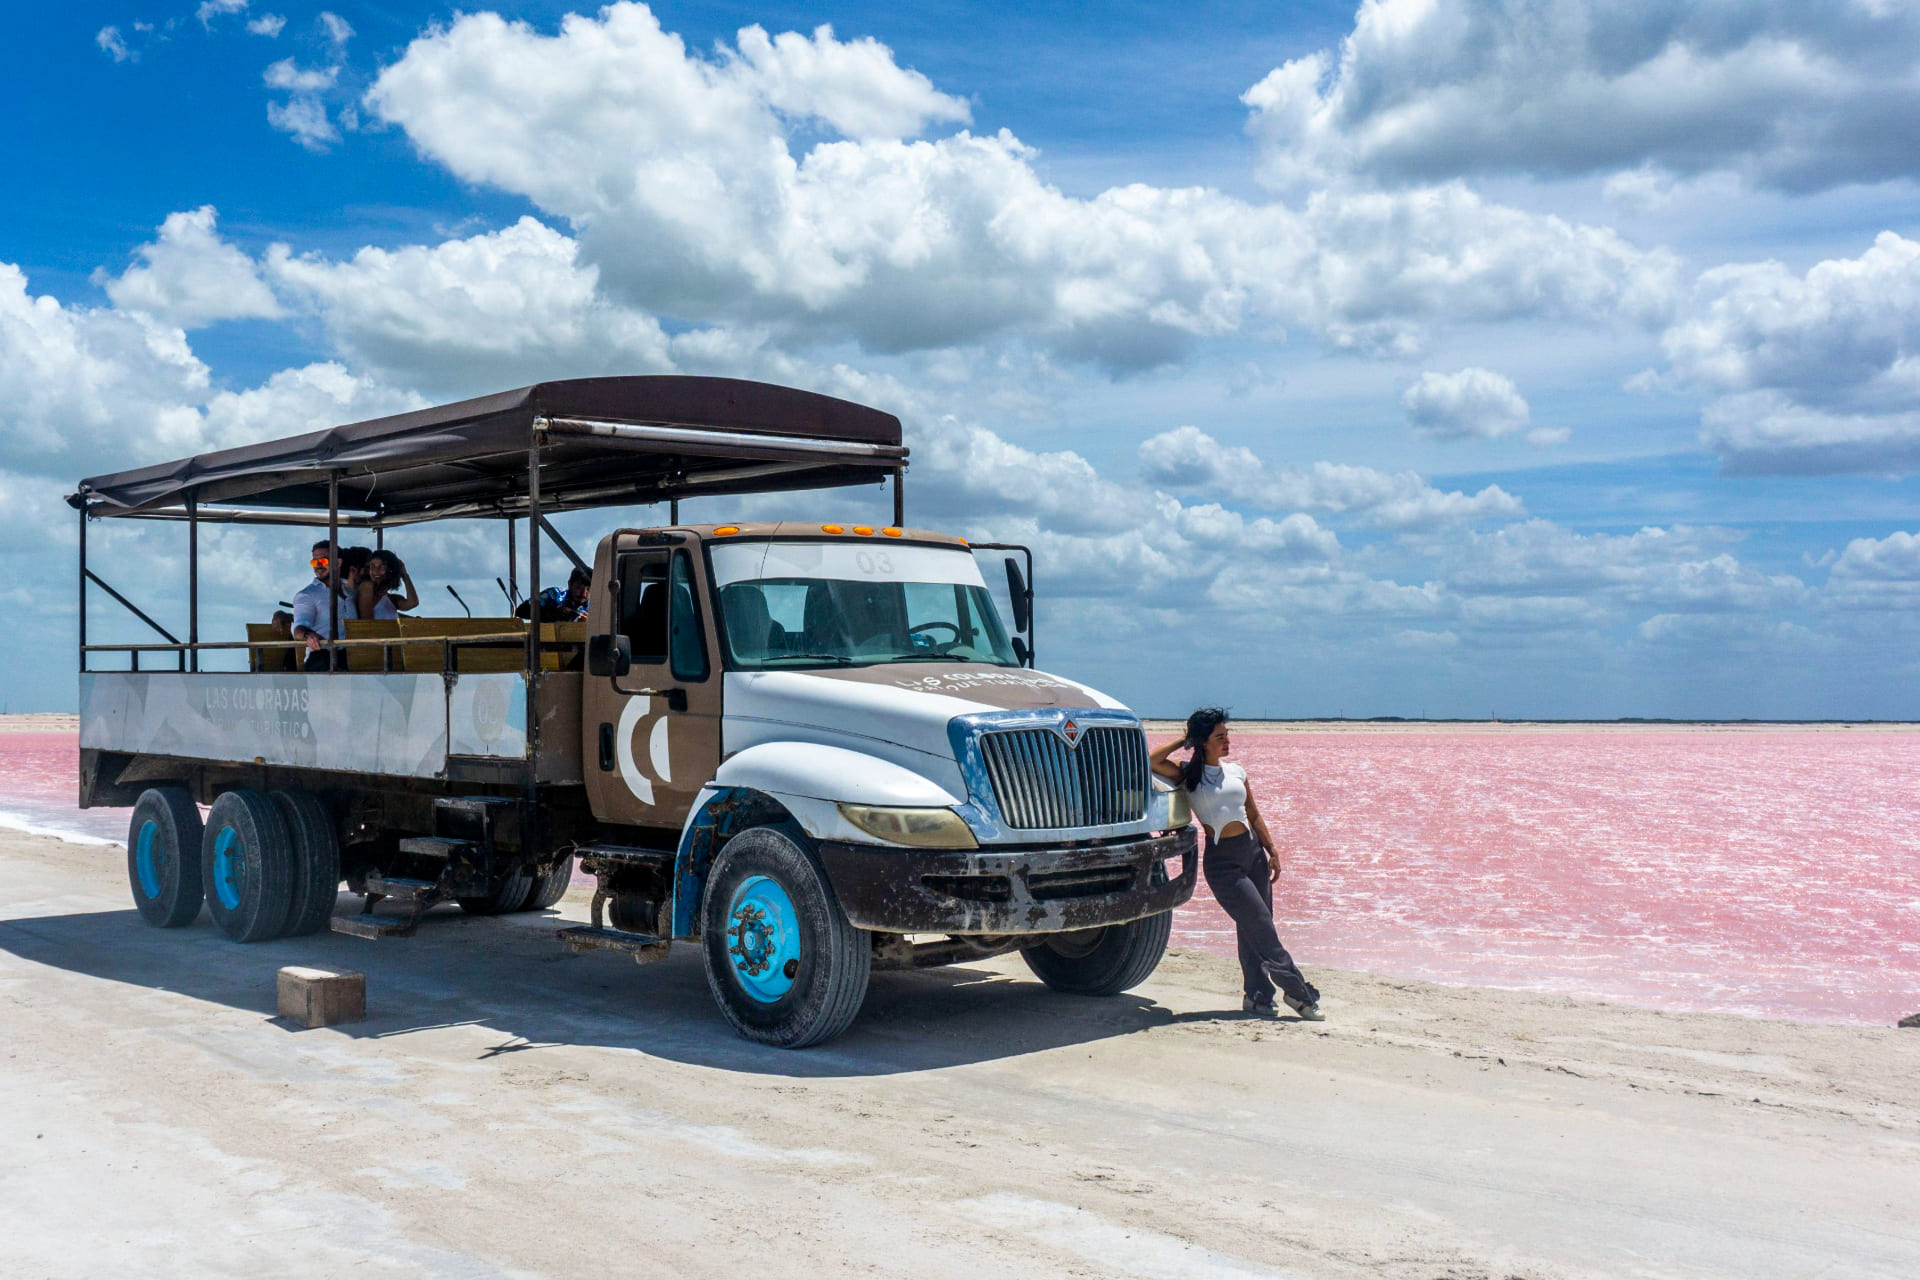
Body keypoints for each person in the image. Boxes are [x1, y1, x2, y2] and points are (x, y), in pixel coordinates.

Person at [1151, 707, 1324, 1021]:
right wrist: (1185, 738)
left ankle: (1257, 997)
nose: (1227, 741)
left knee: (1252, 928)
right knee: (1261, 925)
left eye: (1227, 734)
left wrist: (1272, 850)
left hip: (1253, 854)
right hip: (1223, 863)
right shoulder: (1189, 776)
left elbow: (1253, 814)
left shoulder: (1237, 772)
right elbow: (1153, 761)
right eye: (1219, 737)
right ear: (1203, 741)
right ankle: (1299, 993)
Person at [290, 540, 357, 671]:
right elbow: (299, 627)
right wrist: (308, 635)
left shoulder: (352, 590)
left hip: (353, 657)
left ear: (338, 563)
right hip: (322, 657)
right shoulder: (307, 595)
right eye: (314, 562)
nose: (318, 565)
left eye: (324, 561)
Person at [358, 548, 419, 621]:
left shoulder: (391, 599)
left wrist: (405, 575)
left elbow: (413, 602)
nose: (375, 571)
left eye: (381, 567)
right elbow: (366, 622)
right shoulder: (366, 587)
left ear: (390, 570)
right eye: (372, 566)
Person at [516, 566, 590, 622]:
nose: (583, 594)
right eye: (578, 587)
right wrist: (552, 613)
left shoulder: (595, 608)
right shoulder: (554, 594)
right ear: (569, 584)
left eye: (588, 589)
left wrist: (589, 624)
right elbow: (521, 611)